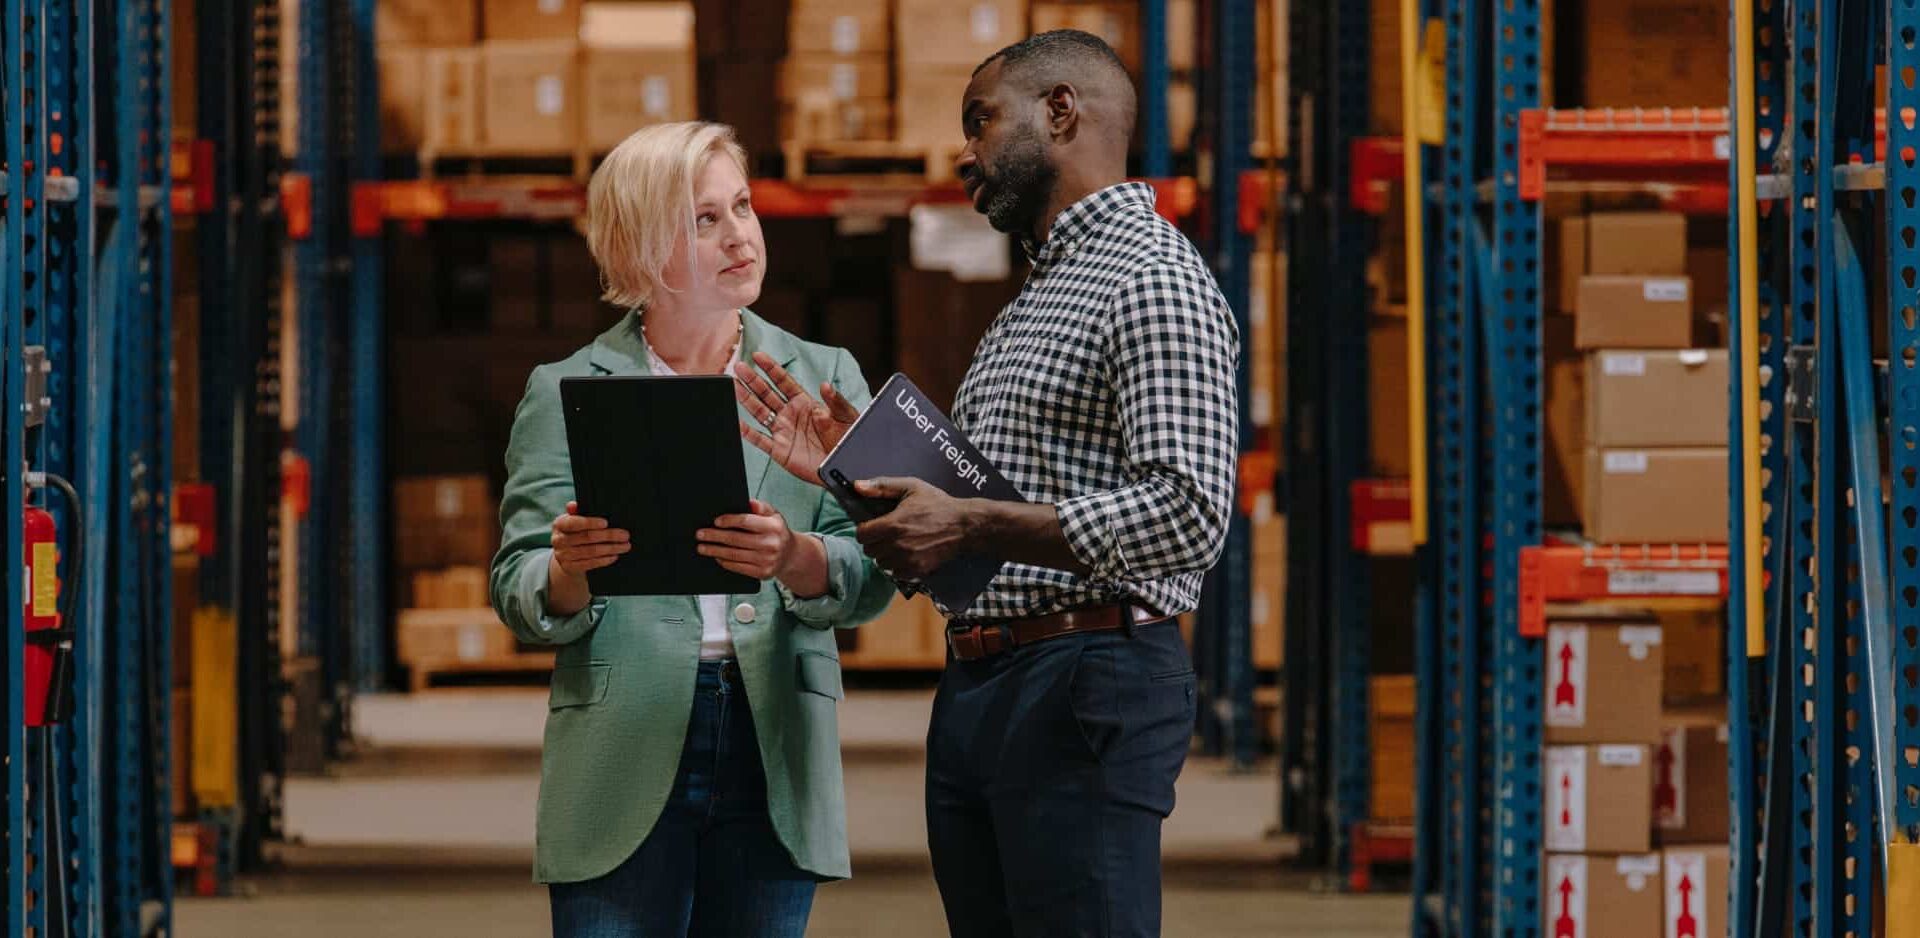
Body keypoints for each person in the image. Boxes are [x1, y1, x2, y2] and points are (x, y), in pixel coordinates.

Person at [736, 30, 1239, 938]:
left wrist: (968, 525)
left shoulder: (1152, 279)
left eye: (979, 121)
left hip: (1087, 676)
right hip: (988, 679)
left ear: (1060, 112)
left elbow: (1189, 512)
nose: (962, 153)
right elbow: (976, 513)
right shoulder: (1042, 295)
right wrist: (859, 473)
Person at [489, 121, 895, 938]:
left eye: (741, 207)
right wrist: (570, 573)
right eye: (703, 219)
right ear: (640, 249)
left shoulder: (826, 377)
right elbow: (518, 583)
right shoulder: (567, 387)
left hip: (773, 740)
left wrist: (797, 558)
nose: (740, 235)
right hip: (621, 743)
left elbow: (878, 568)